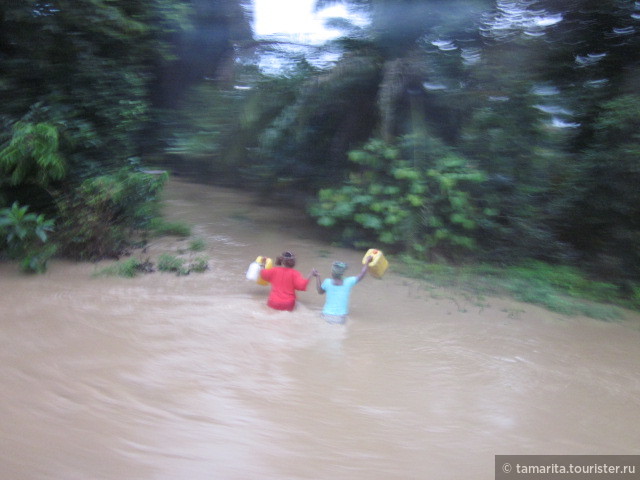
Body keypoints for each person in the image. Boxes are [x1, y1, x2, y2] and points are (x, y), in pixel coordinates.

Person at [314, 256, 372, 324]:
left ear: (332, 273)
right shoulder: (348, 282)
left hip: (326, 315)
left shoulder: (327, 282)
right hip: (340, 318)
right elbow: (362, 274)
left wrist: (317, 277)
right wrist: (367, 262)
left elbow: (320, 291)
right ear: (342, 273)